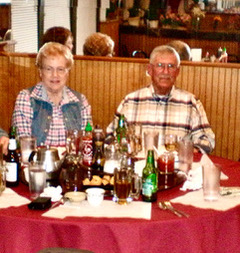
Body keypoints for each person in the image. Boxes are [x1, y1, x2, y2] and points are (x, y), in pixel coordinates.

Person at [107, 45, 215, 153]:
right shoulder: (130, 101)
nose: (166, 71)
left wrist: (183, 151)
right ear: (149, 70)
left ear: (177, 72)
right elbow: (110, 137)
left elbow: (207, 141)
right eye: (160, 65)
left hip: (175, 167)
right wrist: (125, 146)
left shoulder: (191, 103)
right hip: (136, 167)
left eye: (171, 66)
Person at [12, 42, 92, 146]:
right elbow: (24, 144)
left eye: (60, 69)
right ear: (40, 71)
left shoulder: (80, 101)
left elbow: (86, 143)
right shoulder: (26, 99)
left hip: (71, 161)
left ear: (67, 72)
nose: (55, 75)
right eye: (49, 69)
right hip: (38, 161)